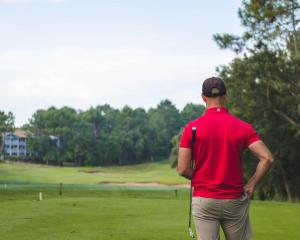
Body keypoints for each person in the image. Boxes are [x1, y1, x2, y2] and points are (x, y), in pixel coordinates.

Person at [177, 77, 273, 240]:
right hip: (234, 199)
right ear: (226, 96)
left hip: (204, 199)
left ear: (203, 97)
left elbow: (182, 169)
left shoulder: (191, 129)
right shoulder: (243, 127)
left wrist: (203, 177)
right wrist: (252, 183)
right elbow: (267, 158)